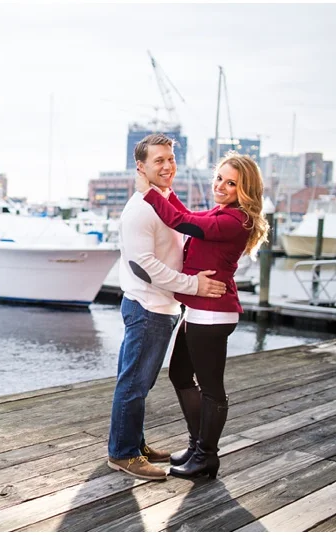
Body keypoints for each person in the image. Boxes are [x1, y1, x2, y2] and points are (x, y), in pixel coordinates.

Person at [135, 151, 269, 479]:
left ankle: (207, 456)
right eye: (219, 178)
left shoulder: (236, 220)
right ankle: (197, 447)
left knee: (211, 390)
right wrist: (165, 191)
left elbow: (183, 222)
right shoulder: (222, 212)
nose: (221, 186)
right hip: (198, 310)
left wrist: (149, 192)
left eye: (231, 183)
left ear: (245, 189)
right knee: (180, 375)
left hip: (213, 316)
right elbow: (187, 214)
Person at [107, 134, 227, 481]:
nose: (167, 166)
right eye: (158, 160)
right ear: (140, 167)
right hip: (148, 309)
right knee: (134, 384)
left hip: (161, 307)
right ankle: (123, 454)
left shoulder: (161, 200)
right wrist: (194, 285)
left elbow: (187, 223)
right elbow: (142, 265)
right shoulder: (141, 209)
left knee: (137, 383)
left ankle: (133, 443)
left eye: (170, 159)